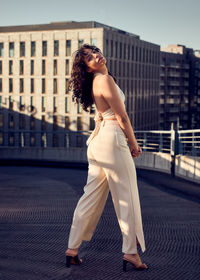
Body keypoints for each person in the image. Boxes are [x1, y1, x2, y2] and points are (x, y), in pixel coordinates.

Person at [65, 44, 148, 271]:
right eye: (90, 58)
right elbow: (121, 116)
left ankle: (72, 249)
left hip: (100, 142)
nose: (96, 57)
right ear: (88, 68)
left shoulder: (97, 81)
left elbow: (106, 115)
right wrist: (133, 144)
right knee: (127, 196)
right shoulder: (105, 80)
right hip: (112, 140)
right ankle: (131, 252)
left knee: (90, 197)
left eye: (95, 52)